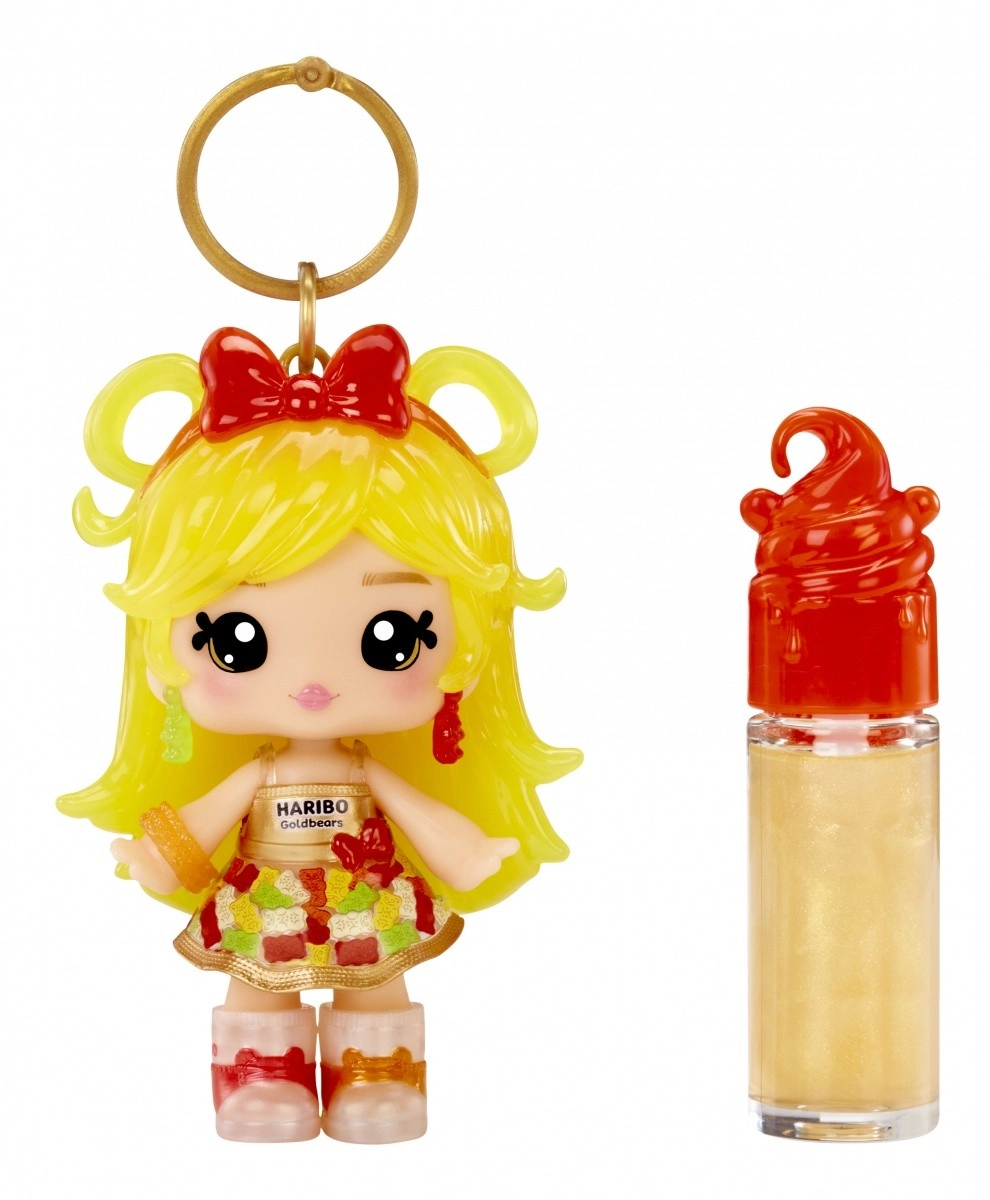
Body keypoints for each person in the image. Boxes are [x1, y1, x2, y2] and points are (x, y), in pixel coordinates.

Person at [59, 324, 581, 1143]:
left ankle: (379, 1078)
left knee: (378, 983)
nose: (311, 683)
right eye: (237, 639)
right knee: (255, 984)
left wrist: (469, 849)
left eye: (390, 638)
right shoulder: (263, 771)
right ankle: (259, 1079)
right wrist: (159, 852)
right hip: (264, 893)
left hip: (364, 893)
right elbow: (207, 819)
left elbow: (414, 812)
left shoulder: (365, 771)